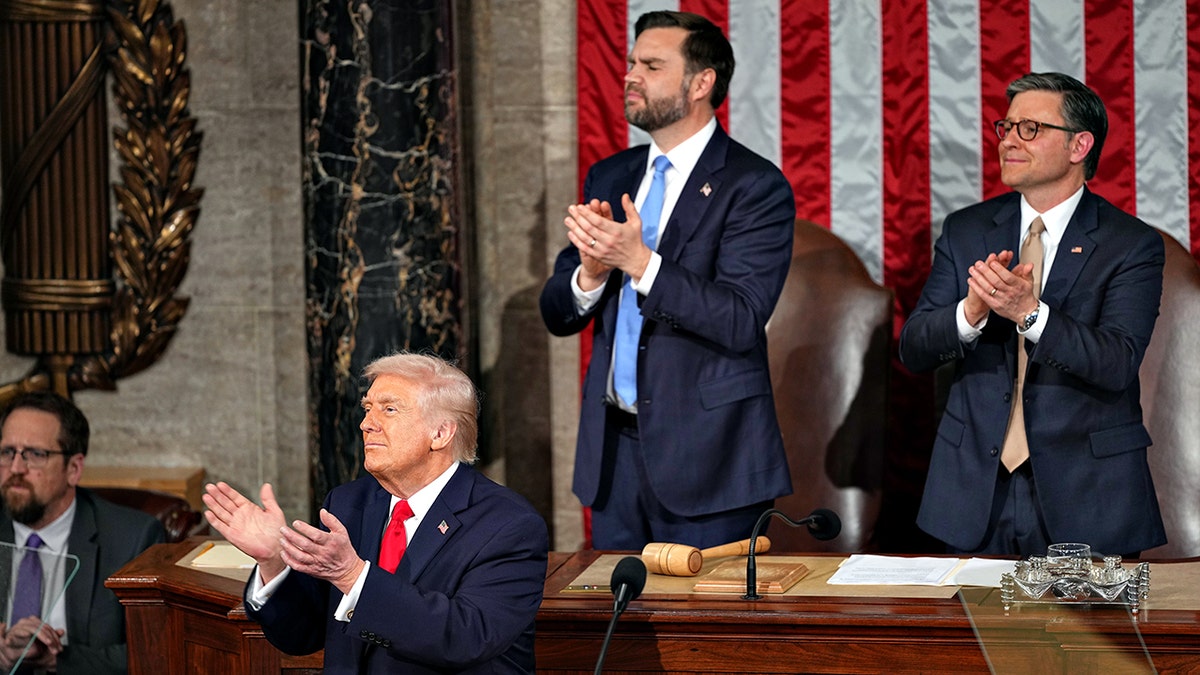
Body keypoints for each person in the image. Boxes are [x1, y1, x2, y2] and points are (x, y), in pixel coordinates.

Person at [539, 11, 795, 550]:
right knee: (621, 630)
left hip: (711, 461)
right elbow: (557, 312)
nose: (631, 75)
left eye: (651, 65)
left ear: (701, 83)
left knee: (707, 634)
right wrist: (590, 272)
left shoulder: (754, 185)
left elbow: (740, 318)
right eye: (632, 62)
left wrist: (641, 263)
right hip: (615, 458)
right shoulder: (610, 174)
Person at [899, 72, 1166, 557]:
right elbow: (914, 347)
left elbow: (1117, 361)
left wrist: (1030, 314)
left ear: (1079, 145)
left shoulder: (1131, 244)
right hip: (974, 494)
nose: (1009, 142)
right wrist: (970, 312)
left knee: (1084, 638)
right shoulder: (967, 230)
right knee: (972, 637)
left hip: (1088, 494)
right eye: (1007, 128)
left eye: (1030, 129)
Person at [203, 352, 548, 674]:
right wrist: (276, 562)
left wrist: (354, 576)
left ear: (440, 433)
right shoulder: (348, 503)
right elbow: (300, 636)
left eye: (389, 410)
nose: (366, 424)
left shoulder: (507, 525)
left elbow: (465, 638)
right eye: (368, 408)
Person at [0, 391, 165, 674]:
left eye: (35, 455)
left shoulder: (134, 539)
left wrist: (58, 658)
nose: (16, 468)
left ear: (74, 469)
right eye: (7, 452)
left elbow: (156, 652)